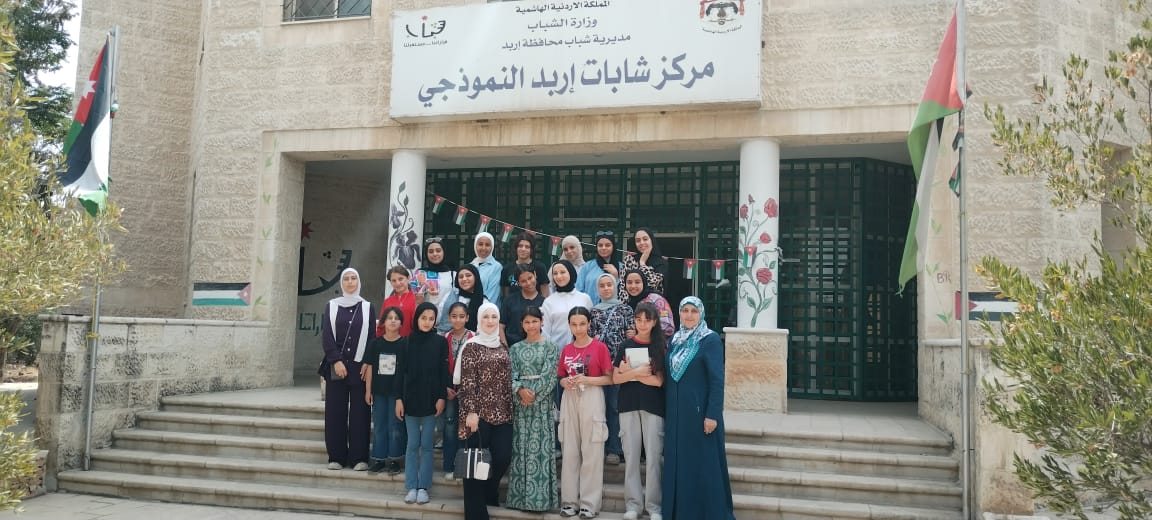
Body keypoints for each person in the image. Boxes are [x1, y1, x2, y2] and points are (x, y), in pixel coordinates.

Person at [662, 297, 735, 520]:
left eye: (694, 311)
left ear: (701, 313)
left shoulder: (709, 340)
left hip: (700, 415)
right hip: (677, 417)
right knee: (680, 465)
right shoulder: (675, 339)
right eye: (685, 310)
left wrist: (712, 414)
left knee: (703, 466)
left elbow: (717, 380)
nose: (689, 315)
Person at [455, 302, 514, 520]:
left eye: (494, 317)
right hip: (477, 414)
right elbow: (467, 381)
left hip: (503, 412)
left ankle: (489, 491)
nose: (490, 321)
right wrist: (471, 412)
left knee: (502, 457)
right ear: (479, 320)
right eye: (486, 317)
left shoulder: (502, 346)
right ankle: (476, 513)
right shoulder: (472, 346)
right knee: (475, 462)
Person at [557, 306, 614, 519]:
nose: (578, 328)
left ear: (589, 323)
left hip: (592, 395)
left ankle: (589, 504)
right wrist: (565, 382)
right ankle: (569, 502)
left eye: (582, 323)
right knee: (570, 450)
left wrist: (587, 379)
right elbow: (560, 376)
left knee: (592, 451)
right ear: (569, 325)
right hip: (570, 397)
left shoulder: (599, 348)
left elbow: (610, 378)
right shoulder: (566, 349)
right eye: (574, 324)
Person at [612, 302, 667, 520]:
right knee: (631, 457)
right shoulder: (625, 345)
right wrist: (639, 373)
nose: (642, 324)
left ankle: (654, 507)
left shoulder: (660, 346)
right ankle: (633, 505)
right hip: (628, 405)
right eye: (638, 320)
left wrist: (631, 372)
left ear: (654, 322)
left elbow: (658, 381)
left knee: (653, 458)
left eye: (647, 320)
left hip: (653, 407)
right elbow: (616, 378)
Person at [318, 268, 375, 471]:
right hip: (337, 367)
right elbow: (327, 336)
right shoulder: (332, 305)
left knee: (360, 413)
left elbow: (372, 337)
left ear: (359, 282)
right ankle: (336, 456)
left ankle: (359, 457)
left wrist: (367, 362)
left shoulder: (367, 307)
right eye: (346, 279)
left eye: (354, 278)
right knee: (335, 412)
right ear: (341, 283)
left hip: (360, 368)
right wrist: (336, 360)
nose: (350, 282)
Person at [506, 306, 560, 512]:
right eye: (527, 322)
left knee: (539, 450)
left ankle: (539, 500)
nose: (531, 326)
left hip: (541, 406)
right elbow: (511, 374)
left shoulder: (551, 347)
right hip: (520, 405)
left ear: (542, 322)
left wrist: (533, 395)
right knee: (521, 448)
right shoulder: (515, 349)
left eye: (534, 321)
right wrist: (520, 391)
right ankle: (520, 499)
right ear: (522, 324)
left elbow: (550, 376)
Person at [396, 303, 449, 505]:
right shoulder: (406, 342)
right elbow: (400, 373)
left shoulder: (440, 342)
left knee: (427, 445)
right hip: (410, 400)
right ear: (416, 318)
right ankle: (411, 486)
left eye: (431, 318)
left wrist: (441, 397)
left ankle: (423, 487)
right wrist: (398, 399)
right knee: (412, 445)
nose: (427, 322)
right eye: (423, 318)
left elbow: (443, 372)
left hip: (431, 400)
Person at [589, 273, 632, 466]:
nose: (606, 288)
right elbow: (589, 336)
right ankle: (599, 447)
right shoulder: (593, 311)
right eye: (602, 286)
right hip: (598, 367)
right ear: (597, 289)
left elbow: (631, 334)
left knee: (615, 407)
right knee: (598, 407)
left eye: (609, 285)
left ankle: (615, 449)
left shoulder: (625, 309)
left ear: (615, 287)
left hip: (618, 366)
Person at [363, 306, 407, 475]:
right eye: (389, 318)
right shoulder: (375, 343)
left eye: (396, 318)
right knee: (380, 425)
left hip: (397, 394)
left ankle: (395, 460)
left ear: (401, 323)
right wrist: (368, 391)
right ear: (383, 322)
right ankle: (379, 459)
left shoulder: (405, 344)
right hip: (379, 392)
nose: (393, 321)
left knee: (395, 426)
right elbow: (370, 368)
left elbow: (406, 371)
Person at [440, 302, 475, 480]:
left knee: (466, 428)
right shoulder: (444, 338)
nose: (458, 320)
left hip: (468, 391)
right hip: (449, 390)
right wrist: (445, 387)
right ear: (449, 318)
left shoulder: (474, 337)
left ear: (467, 318)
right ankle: (449, 465)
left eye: (461, 316)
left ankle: (463, 467)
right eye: (454, 316)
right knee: (449, 426)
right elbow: (440, 366)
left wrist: (466, 388)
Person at [541, 260, 593, 349]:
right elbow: (545, 331)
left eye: (562, 272)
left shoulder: (585, 298)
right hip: (556, 351)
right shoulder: (548, 302)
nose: (559, 276)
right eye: (555, 273)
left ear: (570, 273)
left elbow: (591, 326)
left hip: (583, 350)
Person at [501, 263, 545, 348]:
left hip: (537, 348)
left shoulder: (544, 303)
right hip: (512, 347)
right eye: (523, 281)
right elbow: (501, 326)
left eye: (530, 278)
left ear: (535, 275)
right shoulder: (509, 300)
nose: (528, 283)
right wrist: (505, 347)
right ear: (518, 283)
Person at [622, 270, 675, 339]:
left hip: (657, 344)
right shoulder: (626, 303)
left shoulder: (655, 299)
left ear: (643, 283)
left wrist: (640, 333)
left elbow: (668, 328)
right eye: (629, 282)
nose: (633, 286)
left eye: (637, 282)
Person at [619, 228, 668, 298]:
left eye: (645, 239)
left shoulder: (661, 263)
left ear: (651, 240)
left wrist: (642, 263)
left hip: (653, 302)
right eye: (638, 240)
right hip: (631, 302)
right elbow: (622, 287)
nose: (642, 243)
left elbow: (653, 283)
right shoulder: (629, 260)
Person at [438, 264, 486, 333]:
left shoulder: (484, 302)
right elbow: (439, 315)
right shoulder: (450, 295)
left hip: (473, 338)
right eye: (461, 277)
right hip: (445, 335)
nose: (464, 279)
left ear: (476, 277)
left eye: (468, 275)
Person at [415, 236, 456, 319]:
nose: (435, 254)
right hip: (426, 321)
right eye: (430, 251)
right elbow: (414, 300)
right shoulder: (420, 274)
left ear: (444, 252)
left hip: (448, 322)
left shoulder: (453, 275)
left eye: (438, 250)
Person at [577, 230, 621, 304]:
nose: (603, 248)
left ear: (613, 247)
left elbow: (625, 292)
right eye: (600, 245)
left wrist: (616, 277)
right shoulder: (587, 266)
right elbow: (578, 290)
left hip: (614, 309)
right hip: (590, 308)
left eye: (607, 245)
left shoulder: (621, 267)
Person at [501, 233, 550, 299]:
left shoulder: (540, 267)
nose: (523, 249)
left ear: (531, 250)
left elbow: (544, 292)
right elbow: (505, 293)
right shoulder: (507, 268)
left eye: (527, 247)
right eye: (520, 246)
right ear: (516, 248)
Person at [379, 265, 422, 337]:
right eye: (394, 281)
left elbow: (419, 324)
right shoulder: (387, 302)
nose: (397, 283)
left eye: (400, 279)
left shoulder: (417, 299)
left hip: (411, 341)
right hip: (390, 341)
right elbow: (381, 326)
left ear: (408, 278)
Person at [471, 232, 503, 308]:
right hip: (469, 310)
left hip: (488, 311)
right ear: (475, 245)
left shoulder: (496, 267)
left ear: (492, 247)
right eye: (480, 244)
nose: (483, 248)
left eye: (487, 245)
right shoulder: (471, 265)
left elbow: (492, 296)